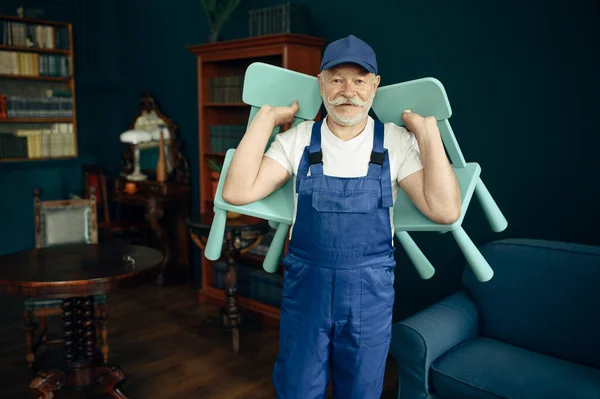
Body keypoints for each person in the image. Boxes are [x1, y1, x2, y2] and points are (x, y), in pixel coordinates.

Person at [222, 34, 461, 399]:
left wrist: (427, 133)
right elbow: (236, 192)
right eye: (336, 79)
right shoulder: (299, 138)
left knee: (362, 390)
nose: (347, 90)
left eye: (359, 80)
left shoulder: (396, 141)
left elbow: (445, 211)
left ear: (374, 86)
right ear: (321, 84)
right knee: (298, 388)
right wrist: (268, 118)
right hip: (307, 288)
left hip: (370, 293)